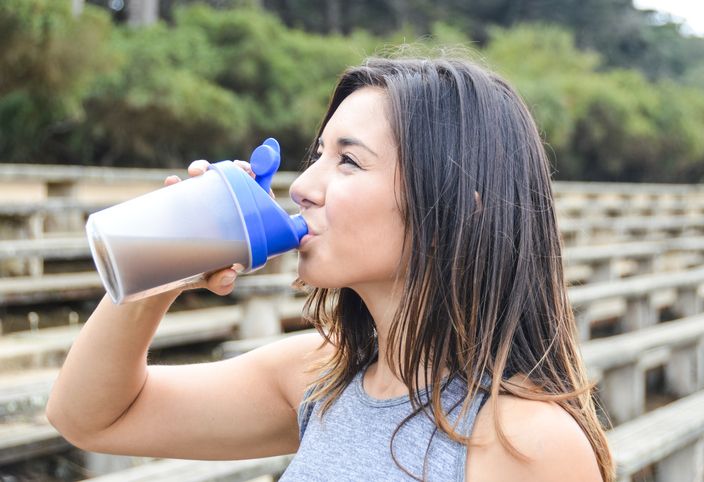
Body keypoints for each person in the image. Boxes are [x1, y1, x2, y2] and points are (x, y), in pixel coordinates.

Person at [46, 54, 614, 481]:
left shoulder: (529, 444)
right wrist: (162, 265)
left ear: (460, 204)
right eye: (318, 154)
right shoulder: (322, 376)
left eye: (348, 160)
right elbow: (89, 418)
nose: (304, 186)